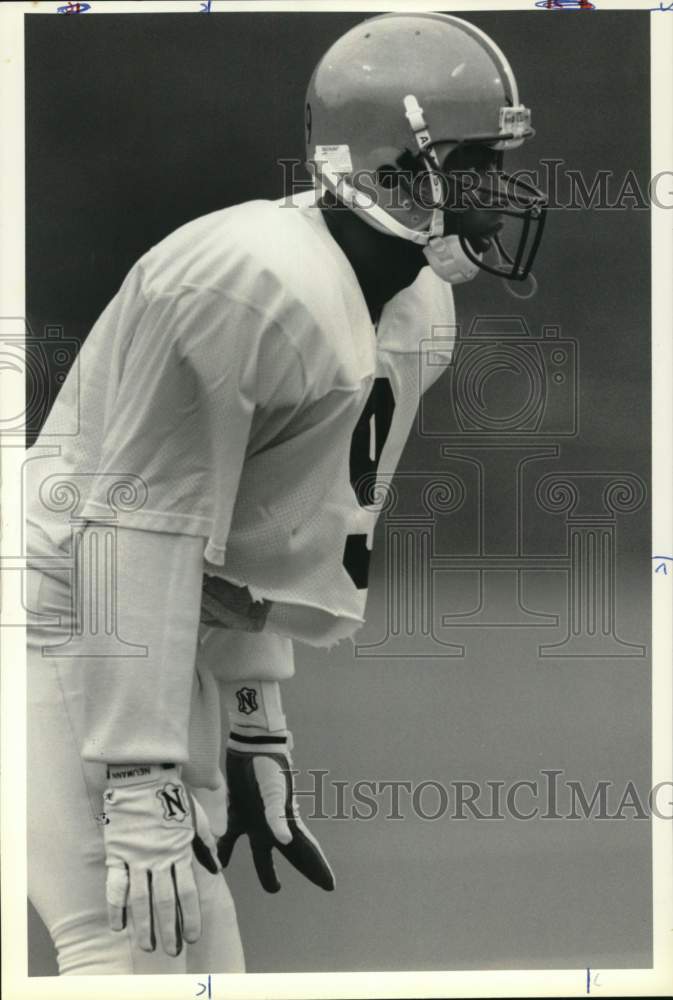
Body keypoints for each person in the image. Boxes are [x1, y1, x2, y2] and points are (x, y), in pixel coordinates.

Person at [25, 11, 546, 975]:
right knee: (125, 937)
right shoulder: (242, 285)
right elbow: (135, 533)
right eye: (471, 161)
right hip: (61, 605)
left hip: (148, 623)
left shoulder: (414, 307)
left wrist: (255, 724)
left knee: (201, 945)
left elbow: (259, 545)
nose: (495, 190)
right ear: (390, 166)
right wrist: (138, 778)